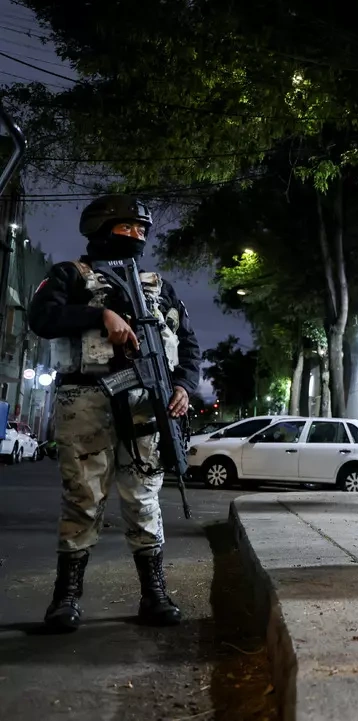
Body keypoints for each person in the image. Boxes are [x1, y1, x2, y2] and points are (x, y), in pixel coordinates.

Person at [28, 194, 202, 632]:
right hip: (86, 399)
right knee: (83, 498)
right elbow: (42, 317)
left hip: (145, 404)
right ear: (102, 229)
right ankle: (65, 598)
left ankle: (154, 594)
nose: (138, 235)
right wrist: (100, 314)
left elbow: (189, 345)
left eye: (143, 228)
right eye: (129, 227)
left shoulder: (158, 287)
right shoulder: (70, 274)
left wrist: (183, 386)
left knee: (143, 497)